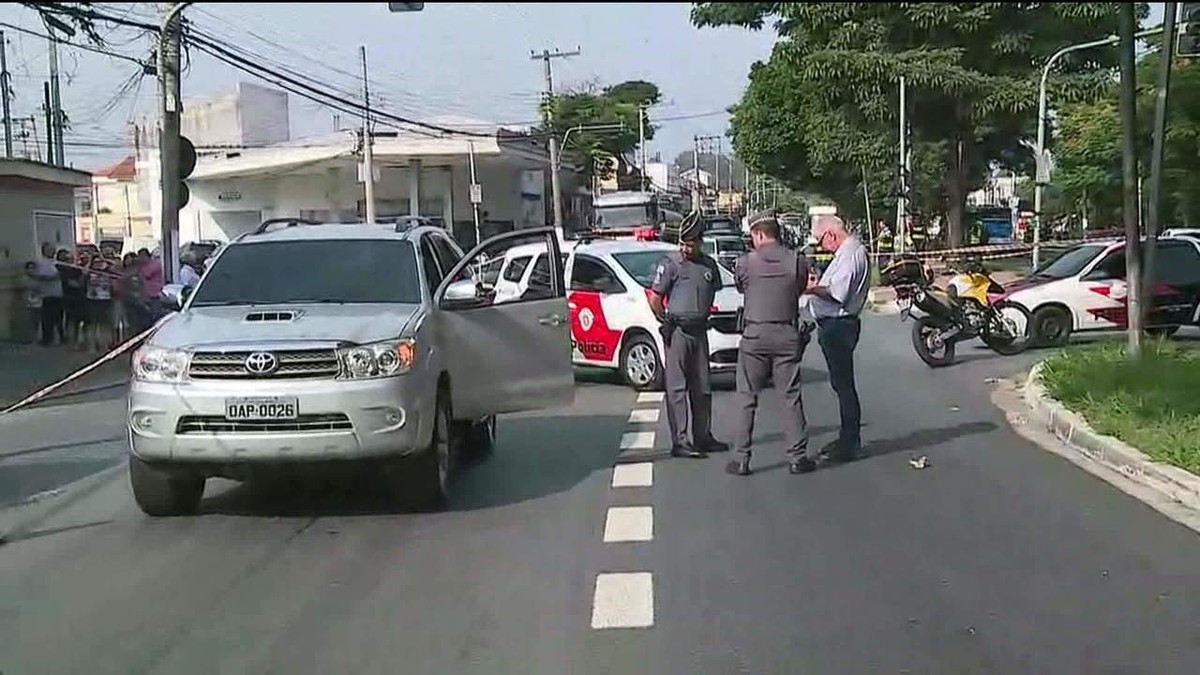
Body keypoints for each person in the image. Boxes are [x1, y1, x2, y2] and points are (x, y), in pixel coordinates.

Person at [725, 210, 816, 476]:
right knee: (790, 396)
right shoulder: (797, 260)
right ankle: (798, 458)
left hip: (754, 336)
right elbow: (799, 288)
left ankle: (741, 459)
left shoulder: (745, 263)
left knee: (746, 398)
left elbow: (742, 287)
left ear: (759, 234)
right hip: (787, 334)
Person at [648, 210, 729, 458]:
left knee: (703, 387)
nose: (685, 248)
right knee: (677, 388)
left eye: (690, 243)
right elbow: (655, 298)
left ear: (700, 242)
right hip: (678, 332)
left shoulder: (708, 266)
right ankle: (681, 442)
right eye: (682, 243)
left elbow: (713, 291)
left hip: (699, 332)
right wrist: (666, 319)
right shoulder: (671, 265)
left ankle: (703, 436)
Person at [805, 215, 870, 461]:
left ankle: (850, 441)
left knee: (844, 386)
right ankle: (847, 437)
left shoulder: (851, 254)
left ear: (832, 234)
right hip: (835, 324)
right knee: (841, 384)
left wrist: (811, 289)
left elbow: (837, 294)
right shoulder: (846, 254)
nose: (822, 246)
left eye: (822, 240)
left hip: (838, 325)